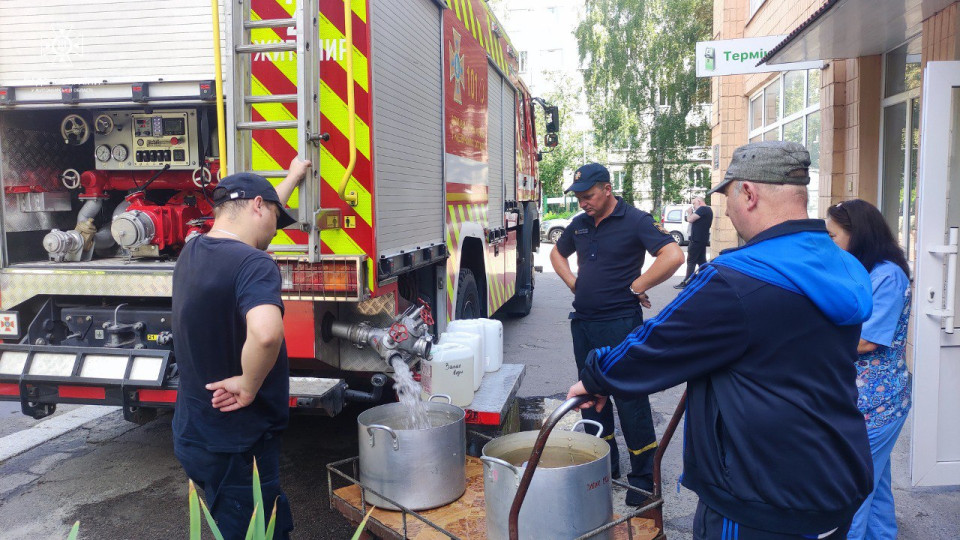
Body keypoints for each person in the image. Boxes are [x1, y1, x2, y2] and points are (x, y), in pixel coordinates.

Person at [567, 141, 874, 539]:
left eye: (728, 195)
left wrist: (595, 377)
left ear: (748, 193)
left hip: (760, 495)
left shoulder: (737, 278)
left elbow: (657, 343)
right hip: (836, 476)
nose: (725, 209)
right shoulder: (841, 263)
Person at [172, 157, 311, 540]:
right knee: (254, 530)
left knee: (255, 517)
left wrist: (292, 178)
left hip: (195, 433)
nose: (275, 231)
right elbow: (266, 334)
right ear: (256, 207)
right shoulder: (254, 263)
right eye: (273, 217)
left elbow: (264, 208)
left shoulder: (191, 253)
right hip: (236, 440)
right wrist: (249, 385)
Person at [550, 163, 684, 505]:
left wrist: (638, 285)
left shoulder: (636, 220)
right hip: (584, 323)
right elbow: (556, 253)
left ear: (607, 189)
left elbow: (673, 255)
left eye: (589, 196)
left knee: (630, 398)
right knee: (590, 397)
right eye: (579, 197)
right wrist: (573, 283)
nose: (583, 203)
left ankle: (642, 477)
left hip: (621, 324)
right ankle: (605, 464)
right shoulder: (579, 225)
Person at [825, 200, 911, 540]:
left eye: (833, 236)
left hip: (878, 403)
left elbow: (867, 341)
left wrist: (812, 339)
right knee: (875, 487)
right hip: (863, 400)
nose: (829, 243)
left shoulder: (888, 275)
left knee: (853, 492)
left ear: (855, 234)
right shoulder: (864, 269)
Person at [675, 197, 713, 289]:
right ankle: (707, 280)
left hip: (697, 240)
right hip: (701, 239)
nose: (693, 206)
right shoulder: (707, 210)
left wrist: (689, 213)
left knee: (691, 261)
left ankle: (687, 282)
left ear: (699, 202)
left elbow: (690, 219)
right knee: (702, 261)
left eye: (694, 204)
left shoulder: (703, 209)